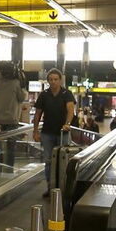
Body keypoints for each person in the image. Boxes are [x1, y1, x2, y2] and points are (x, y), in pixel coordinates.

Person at [33, 68, 75, 197]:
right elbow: (38, 114)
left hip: (63, 133)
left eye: (55, 79)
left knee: (64, 160)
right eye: (51, 79)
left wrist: (67, 124)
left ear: (60, 80)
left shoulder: (67, 94)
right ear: (48, 81)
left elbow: (70, 110)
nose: (53, 82)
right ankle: (51, 188)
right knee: (49, 161)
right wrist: (35, 131)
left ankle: (64, 188)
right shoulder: (44, 95)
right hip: (47, 133)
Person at [0, 61, 28, 170]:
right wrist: (23, 87)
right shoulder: (15, 83)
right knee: (11, 146)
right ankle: (9, 169)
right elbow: (22, 97)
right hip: (12, 119)